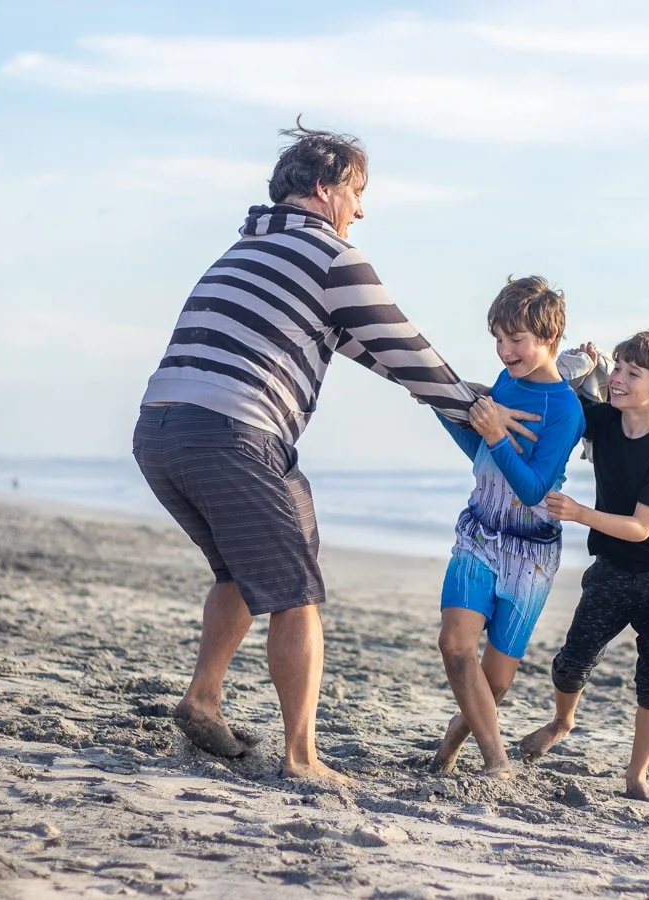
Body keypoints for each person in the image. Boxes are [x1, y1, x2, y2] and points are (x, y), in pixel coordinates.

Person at [132, 122, 539, 784]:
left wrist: (462, 394)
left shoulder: (245, 251)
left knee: (243, 566)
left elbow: (369, 350)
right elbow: (402, 347)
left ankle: (203, 698)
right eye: (356, 191)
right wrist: (479, 407)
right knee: (296, 593)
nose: (361, 209)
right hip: (231, 431)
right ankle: (302, 758)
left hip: (160, 429)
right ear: (324, 189)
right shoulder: (329, 257)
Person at [519, 324, 649, 801]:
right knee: (570, 662)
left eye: (632, 373)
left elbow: (642, 527)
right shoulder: (600, 421)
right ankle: (562, 722)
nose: (619, 379)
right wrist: (585, 365)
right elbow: (556, 393)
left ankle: (637, 774)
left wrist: (579, 513)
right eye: (617, 368)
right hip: (613, 568)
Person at [429, 277, 585, 778]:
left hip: (531, 555)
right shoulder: (503, 385)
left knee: (494, 684)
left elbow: (535, 489)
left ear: (548, 338)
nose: (504, 350)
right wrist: (447, 409)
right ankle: (497, 763)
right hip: (480, 533)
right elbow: (484, 458)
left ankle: (445, 755)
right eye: (498, 338)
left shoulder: (565, 410)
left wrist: (495, 431)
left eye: (515, 340)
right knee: (455, 645)